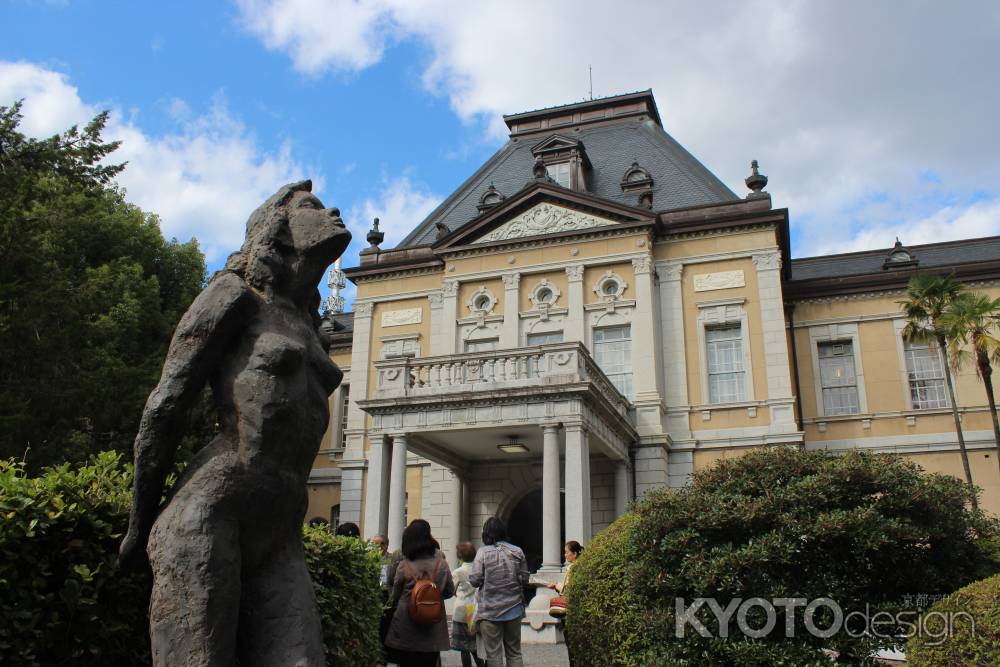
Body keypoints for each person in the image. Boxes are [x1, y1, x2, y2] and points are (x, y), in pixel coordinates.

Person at [117, 180, 351, 665]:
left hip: (281, 529)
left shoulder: (309, 326)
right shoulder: (235, 296)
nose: (331, 211)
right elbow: (166, 405)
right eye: (310, 206)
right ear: (276, 230)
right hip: (214, 508)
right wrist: (139, 525)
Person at [384, 519, 455, 667]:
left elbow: (395, 594)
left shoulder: (404, 565)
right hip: (432, 624)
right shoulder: (441, 564)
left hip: (406, 625)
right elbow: (449, 591)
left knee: (405, 662)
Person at [469, 517, 529, 667]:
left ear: (486, 533)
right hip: (514, 609)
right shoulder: (518, 551)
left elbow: (475, 580)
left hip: (489, 612)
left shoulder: (483, 552)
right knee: (514, 652)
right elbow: (525, 579)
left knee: (494, 655)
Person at [547, 541, 583, 667]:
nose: (565, 555)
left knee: (571, 643)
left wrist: (556, 585)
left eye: (567, 552)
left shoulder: (574, 568)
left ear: (574, 554)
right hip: (573, 608)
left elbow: (569, 589)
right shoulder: (576, 567)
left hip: (570, 609)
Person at [451, 542, 484, 667]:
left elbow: (451, 591)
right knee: (475, 645)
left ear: (460, 556)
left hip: (462, 609)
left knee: (463, 647)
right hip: (475, 609)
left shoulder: (458, 572)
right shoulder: (479, 569)